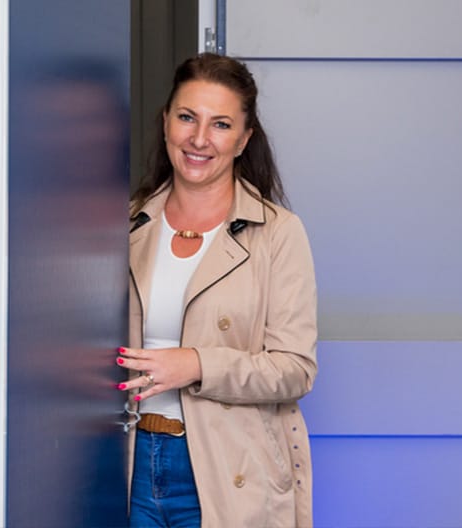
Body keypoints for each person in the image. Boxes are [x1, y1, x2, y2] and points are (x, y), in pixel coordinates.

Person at [117, 52, 318, 527]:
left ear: (244, 138)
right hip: (128, 463)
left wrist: (197, 364)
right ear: (166, 121)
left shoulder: (277, 233)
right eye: (187, 117)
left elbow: (296, 369)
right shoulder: (125, 224)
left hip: (230, 467)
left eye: (221, 124)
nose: (199, 139)